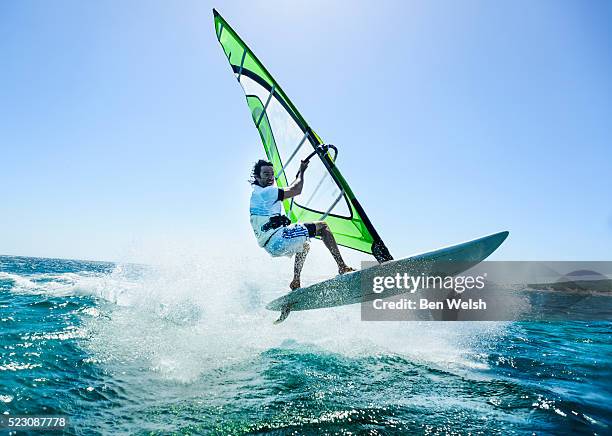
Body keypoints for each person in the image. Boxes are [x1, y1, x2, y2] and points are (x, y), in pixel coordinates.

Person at [249, 159, 355, 290]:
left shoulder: (256, 195)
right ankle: (342, 267)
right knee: (322, 226)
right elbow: (296, 189)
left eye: (272, 174)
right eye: (266, 174)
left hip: (271, 247)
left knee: (304, 245)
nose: (270, 178)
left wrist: (278, 220)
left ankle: (296, 281)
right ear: (257, 177)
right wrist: (302, 171)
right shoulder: (268, 192)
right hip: (279, 239)